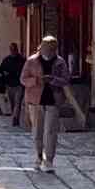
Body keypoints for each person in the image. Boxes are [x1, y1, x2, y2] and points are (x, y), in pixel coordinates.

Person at [24, 34, 66, 172]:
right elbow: (23, 79)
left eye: (51, 48)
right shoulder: (31, 61)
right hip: (35, 101)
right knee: (37, 131)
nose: (48, 51)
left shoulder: (60, 62)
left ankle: (49, 160)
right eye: (46, 48)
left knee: (51, 131)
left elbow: (65, 79)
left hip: (53, 100)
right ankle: (38, 156)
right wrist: (36, 80)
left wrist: (53, 80)